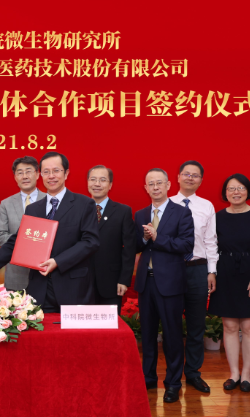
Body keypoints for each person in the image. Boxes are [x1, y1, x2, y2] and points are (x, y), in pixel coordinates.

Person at [0, 152, 100, 311]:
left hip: (73, 287)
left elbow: (90, 242)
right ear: (40, 175)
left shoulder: (84, 204)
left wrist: (57, 261)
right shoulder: (33, 209)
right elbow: (17, 242)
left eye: (56, 171)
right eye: (46, 172)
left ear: (66, 173)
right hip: (40, 288)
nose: (51, 176)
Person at [134, 168, 194, 404]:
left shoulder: (182, 212)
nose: (155, 187)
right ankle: (148, 378)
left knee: (172, 335)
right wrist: (144, 238)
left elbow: (186, 245)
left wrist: (158, 238)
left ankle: (173, 383)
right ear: (145, 188)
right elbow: (135, 246)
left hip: (170, 283)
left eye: (159, 183)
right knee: (147, 335)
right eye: (151, 184)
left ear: (169, 185)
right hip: (145, 282)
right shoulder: (140, 214)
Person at [208, 174, 250, 392]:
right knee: (229, 326)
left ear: (248, 191)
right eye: (231, 188)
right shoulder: (217, 216)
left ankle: (246, 375)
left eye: (241, 188)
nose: (236, 192)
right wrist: (212, 272)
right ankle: (234, 373)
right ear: (225, 193)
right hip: (225, 271)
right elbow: (211, 246)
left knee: (249, 326)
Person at [169, 160, 218, 394]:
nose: (190, 178)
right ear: (178, 177)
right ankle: (173, 375)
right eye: (186, 174)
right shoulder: (166, 202)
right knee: (172, 325)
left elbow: (211, 241)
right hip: (172, 268)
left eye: (195, 175)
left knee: (196, 325)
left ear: (201, 180)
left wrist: (211, 271)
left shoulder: (207, 206)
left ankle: (193, 373)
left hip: (198, 268)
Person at [87, 165, 136, 313]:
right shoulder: (78, 210)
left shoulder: (123, 211)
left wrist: (124, 280)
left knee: (109, 325)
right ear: (88, 182)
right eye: (93, 179)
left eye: (102, 180)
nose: (97, 184)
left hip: (111, 282)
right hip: (82, 282)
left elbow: (129, 248)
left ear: (110, 185)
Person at [0, 156, 46, 291]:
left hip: (44, 272)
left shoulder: (49, 200)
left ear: (37, 174)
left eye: (28, 171)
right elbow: (0, 235)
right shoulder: (6, 204)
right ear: (15, 177)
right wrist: (25, 244)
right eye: (20, 173)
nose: (25, 176)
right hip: (15, 274)